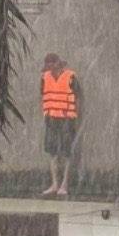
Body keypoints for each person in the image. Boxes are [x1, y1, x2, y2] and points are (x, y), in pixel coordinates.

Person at [41, 53, 80, 198]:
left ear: (58, 63)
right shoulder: (45, 77)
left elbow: (77, 97)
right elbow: (43, 96)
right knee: (52, 150)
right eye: (48, 65)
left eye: (53, 63)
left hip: (66, 118)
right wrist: (46, 114)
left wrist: (73, 115)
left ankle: (64, 184)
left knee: (66, 150)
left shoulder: (70, 77)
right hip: (51, 118)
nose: (51, 67)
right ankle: (55, 184)